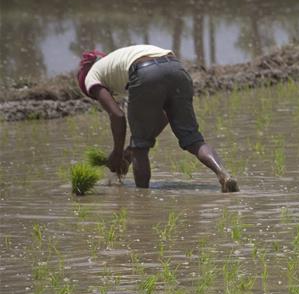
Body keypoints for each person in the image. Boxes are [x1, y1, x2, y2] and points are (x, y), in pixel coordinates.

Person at [77, 44, 239, 192]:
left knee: (140, 149)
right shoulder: (118, 60)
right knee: (194, 140)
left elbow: (117, 115)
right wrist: (129, 150)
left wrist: (118, 154)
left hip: (144, 72)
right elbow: (166, 114)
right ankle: (223, 174)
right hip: (177, 69)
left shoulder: (91, 77)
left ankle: (143, 203)